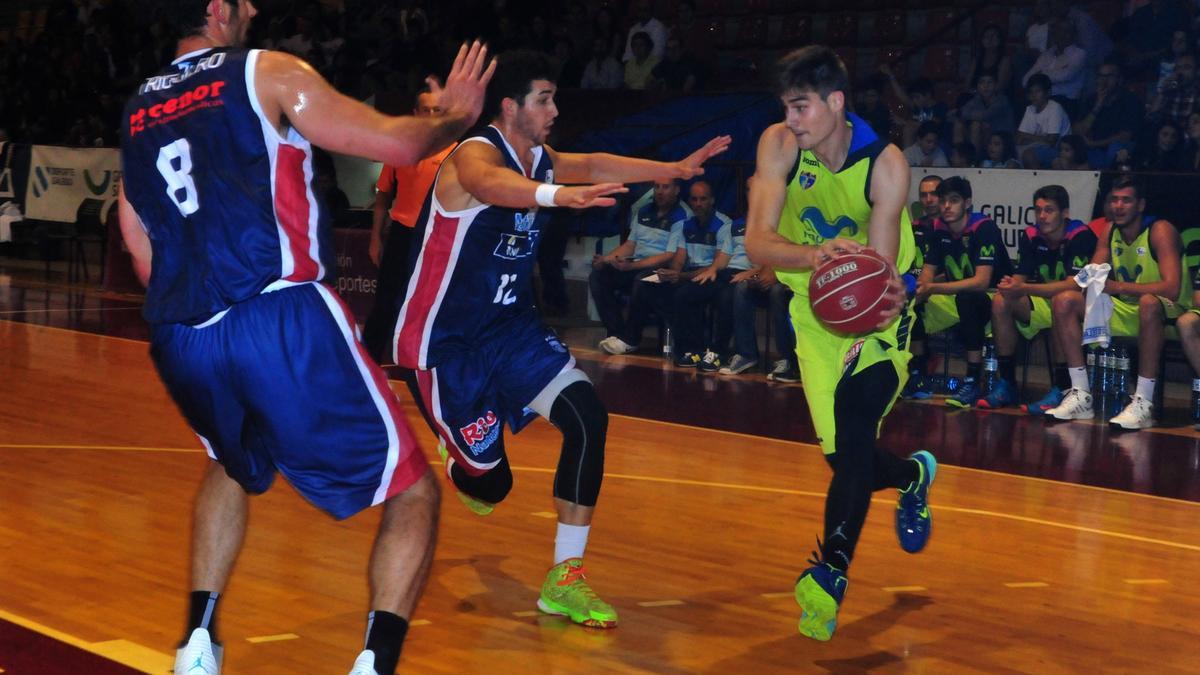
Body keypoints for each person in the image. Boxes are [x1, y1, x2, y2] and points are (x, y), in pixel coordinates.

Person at [117, 2, 495, 674]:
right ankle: (374, 664)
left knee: (230, 464)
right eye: (244, 1)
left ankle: (197, 645)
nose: (255, 9)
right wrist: (456, 116)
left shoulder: (139, 112)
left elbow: (138, 242)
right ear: (215, 10)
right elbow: (398, 144)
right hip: (277, 313)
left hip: (183, 335)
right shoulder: (266, 71)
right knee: (413, 490)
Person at [394, 50, 729, 630]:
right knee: (492, 486)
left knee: (588, 418)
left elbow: (593, 161)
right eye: (544, 98)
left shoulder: (540, 158)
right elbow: (491, 185)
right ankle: (461, 457)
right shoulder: (473, 154)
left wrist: (670, 170)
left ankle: (564, 578)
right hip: (447, 344)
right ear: (510, 106)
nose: (555, 108)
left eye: (554, 97)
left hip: (512, 329)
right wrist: (557, 197)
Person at [745, 45, 936, 642]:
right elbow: (757, 242)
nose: (791, 120)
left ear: (835, 102)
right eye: (785, 107)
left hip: (882, 311)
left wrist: (870, 306)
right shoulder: (778, 145)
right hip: (811, 310)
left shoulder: (886, 163)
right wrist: (810, 257)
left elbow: (877, 272)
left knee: (854, 430)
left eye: (801, 107)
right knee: (843, 460)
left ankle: (830, 573)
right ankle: (911, 478)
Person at [1046, 175, 1191, 429]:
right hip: (1129, 310)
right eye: (1114, 200)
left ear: (1141, 205)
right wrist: (1088, 283)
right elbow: (1091, 274)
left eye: (1126, 200)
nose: (1118, 206)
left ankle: (1144, 401)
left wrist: (1118, 287)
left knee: (1148, 302)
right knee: (1064, 301)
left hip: (1171, 312)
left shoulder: (1160, 230)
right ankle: (1081, 394)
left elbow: (1172, 288)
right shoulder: (1109, 232)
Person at [979, 185, 1098, 411]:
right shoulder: (1031, 235)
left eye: (1049, 210)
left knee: (1062, 299)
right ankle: (1007, 384)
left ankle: (1062, 388)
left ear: (1065, 213)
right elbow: (1020, 277)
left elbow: (1075, 284)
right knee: (1001, 300)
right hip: (1043, 301)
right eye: (1038, 210)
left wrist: (1023, 287)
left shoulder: (1080, 236)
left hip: (1079, 307)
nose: (1042, 216)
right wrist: (1012, 286)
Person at [362, 84, 455, 364]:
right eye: (425, 110)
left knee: (431, 305)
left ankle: (428, 364)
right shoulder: (400, 149)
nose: (430, 115)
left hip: (437, 236)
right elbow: (383, 195)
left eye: (436, 110)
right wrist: (375, 238)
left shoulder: (457, 152)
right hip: (402, 234)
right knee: (386, 302)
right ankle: (367, 363)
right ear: (415, 113)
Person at [916, 176, 1014, 408]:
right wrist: (919, 288)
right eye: (943, 201)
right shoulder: (938, 228)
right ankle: (917, 374)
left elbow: (981, 282)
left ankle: (972, 379)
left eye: (954, 200)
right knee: (911, 299)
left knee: (968, 298)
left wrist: (932, 287)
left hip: (994, 297)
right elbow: (928, 274)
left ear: (968, 203)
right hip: (954, 295)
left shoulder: (984, 227)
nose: (947, 206)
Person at [591, 179, 691, 347]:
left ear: (676, 190)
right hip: (636, 264)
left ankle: (630, 339)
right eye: (657, 186)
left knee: (642, 280)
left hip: (663, 270)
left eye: (665, 186)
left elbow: (669, 255)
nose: (660, 191)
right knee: (598, 276)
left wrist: (632, 266)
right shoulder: (643, 211)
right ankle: (616, 334)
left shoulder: (683, 215)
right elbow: (630, 245)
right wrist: (607, 259)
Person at [662, 180, 733, 370]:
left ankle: (704, 350)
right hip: (691, 275)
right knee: (664, 288)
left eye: (703, 199)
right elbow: (679, 259)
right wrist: (673, 273)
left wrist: (682, 276)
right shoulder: (685, 224)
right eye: (694, 199)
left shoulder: (724, 224)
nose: (698, 204)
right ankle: (688, 350)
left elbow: (717, 265)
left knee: (686, 293)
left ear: (712, 200)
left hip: (716, 275)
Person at [1016, 73, 1070, 169]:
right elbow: (1019, 138)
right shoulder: (1030, 109)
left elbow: (1052, 141)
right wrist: (1041, 139)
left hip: (1060, 150)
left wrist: (1028, 137)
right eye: (1031, 92)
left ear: (1048, 92)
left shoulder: (1054, 108)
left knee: (1028, 155)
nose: (1033, 95)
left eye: (1037, 91)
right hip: (1038, 147)